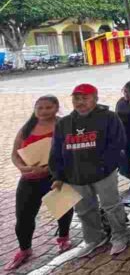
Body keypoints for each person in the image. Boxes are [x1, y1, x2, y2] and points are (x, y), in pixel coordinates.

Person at [49, 83, 129, 257]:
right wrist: (58, 175)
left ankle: (119, 236)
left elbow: (118, 143)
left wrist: (105, 166)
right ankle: (94, 238)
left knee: (112, 206)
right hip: (75, 176)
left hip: (103, 173)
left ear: (95, 99)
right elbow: (56, 150)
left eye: (85, 98)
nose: (80, 102)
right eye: (76, 98)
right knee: (84, 210)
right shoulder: (64, 123)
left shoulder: (109, 117)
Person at [6, 96, 74, 270]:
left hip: (56, 177)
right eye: (40, 108)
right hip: (29, 179)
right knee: (23, 218)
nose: (43, 111)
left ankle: (64, 238)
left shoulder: (63, 125)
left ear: (56, 108)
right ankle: (25, 249)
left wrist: (47, 170)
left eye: (48, 107)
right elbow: (15, 153)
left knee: (63, 210)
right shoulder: (26, 128)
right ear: (34, 109)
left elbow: (70, 153)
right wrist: (22, 167)